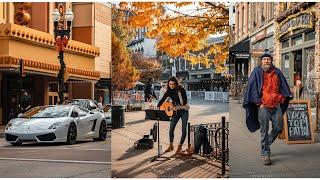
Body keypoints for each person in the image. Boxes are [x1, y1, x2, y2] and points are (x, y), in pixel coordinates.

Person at [243, 49, 292, 165]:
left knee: (279, 127)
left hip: (276, 105)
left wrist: (282, 98)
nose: (266, 61)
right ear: (261, 61)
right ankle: (266, 153)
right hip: (264, 106)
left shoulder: (277, 72)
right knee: (264, 130)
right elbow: (252, 88)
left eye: (268, 59)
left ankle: (266, 143)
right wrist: (259, 103)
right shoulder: (256, 72)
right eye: (264, 59)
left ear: (271, 61)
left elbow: (283, 86)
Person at [157, 76, 189, 155]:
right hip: (175, 112)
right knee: (171, 128)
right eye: (170, 84)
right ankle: (171, 145)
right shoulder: (169, 91)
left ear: (176, 84)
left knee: (184, 129)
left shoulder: (181, 90)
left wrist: (176, 107)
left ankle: (179, 147)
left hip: (184, 110)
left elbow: (184, 102)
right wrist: (157, 106)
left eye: (173, 84)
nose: (171, 86)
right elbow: (163, 99)